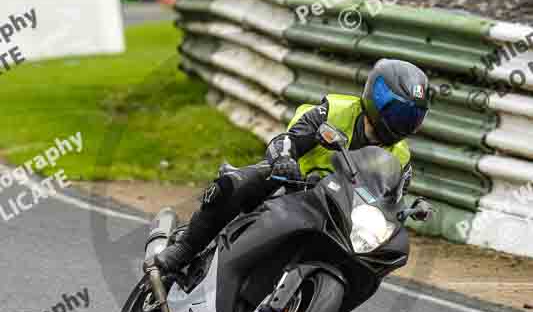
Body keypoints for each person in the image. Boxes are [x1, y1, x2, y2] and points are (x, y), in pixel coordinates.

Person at [151, 58, 429, 276]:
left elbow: (390, 200)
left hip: (337, 213)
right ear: (376, 98)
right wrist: (285, 158)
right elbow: (290, 138)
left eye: (412, 118)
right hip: (292, 183)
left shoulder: (401, 157)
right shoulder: (335, 110)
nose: (403, 124)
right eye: (399, 113)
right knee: (237, 183)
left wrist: (404, 211)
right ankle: (185, 248)